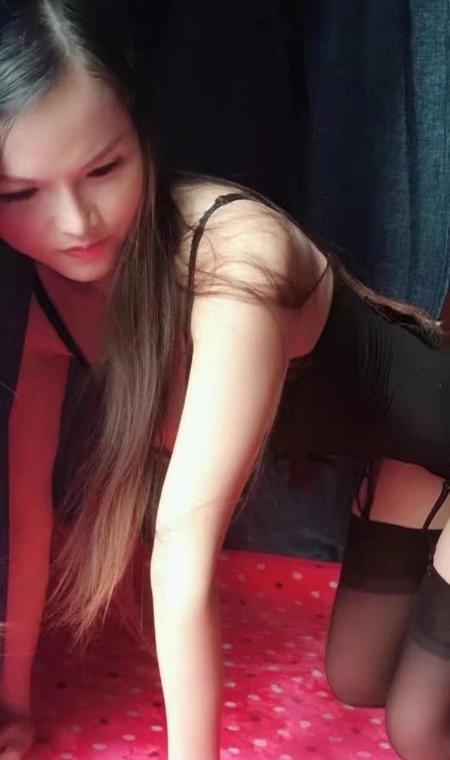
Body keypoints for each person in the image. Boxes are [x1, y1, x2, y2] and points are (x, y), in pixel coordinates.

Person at [0, 3, 448, 760]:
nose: (74, 222)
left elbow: (181, 557)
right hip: (410, 463)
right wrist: (10, 702)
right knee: (358, 680)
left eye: (104, 169)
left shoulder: (232, 260)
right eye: (17, 194)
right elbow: (27, 517)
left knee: (420, 729)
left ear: (143, 135)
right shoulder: (47, 304)